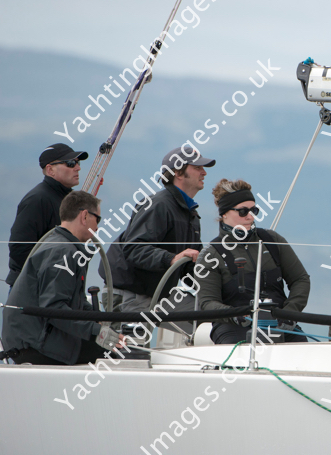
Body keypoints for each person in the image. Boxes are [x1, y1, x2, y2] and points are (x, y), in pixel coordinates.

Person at [2, 191, 123, 365]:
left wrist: (98, 320)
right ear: (84, 216)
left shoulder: (59, 245)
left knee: (110, 348)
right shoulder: (63, 252)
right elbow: (54, 308)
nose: (97, 227)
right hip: (34, 344)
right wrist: (97, 330)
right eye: (98, 219)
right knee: (114, 354)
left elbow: (72, 302)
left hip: (33, 337)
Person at [195, 179, 311, 344]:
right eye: (243, 211)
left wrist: (290, 313)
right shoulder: (210, 255)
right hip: (232, 327)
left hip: (279, 323)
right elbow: (207, 302)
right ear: (224, 213)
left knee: (304, 355)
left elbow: (301, 279)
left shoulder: (273, 240)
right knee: (241, 355)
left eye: (254, 210)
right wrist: (237, 316)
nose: (250, 216)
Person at [101, 146, 215, 312]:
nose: (204, 172)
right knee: (135, 337)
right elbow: (133, 249)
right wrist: (171, 258)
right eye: (197, 167)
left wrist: (221, 282)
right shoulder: (158, 205)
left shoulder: (190, 214)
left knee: (209, 313)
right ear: (178, 173)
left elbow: (189, 269)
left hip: (159, 296)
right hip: (131, 294)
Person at [5, 143, 88, 287]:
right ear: (50, 170)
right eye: (70, 163)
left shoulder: (67, 200)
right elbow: (19, 249)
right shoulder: (37, 199)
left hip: (55, 286)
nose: (78, 168)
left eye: (77, 163)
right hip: (32, 288)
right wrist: (50, 275)